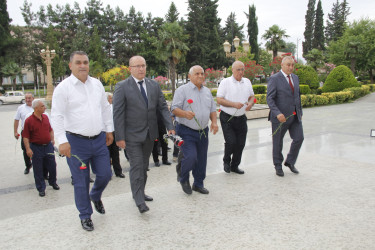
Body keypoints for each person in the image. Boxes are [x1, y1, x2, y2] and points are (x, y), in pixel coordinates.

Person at [51, 51, 114, 231]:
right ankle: (85, 215)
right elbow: (56, 115)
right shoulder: (63, 88)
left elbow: (105, 108)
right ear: (70, 65)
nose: (82, 66)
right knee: (81, 181)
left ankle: (95, 195)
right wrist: (62, 141)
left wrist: (109, 129)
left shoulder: (96, 84)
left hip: (99, 139)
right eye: (78, 62)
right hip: (76, 143)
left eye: (85, 62)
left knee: (105, 174)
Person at [113, 55, 174, 213]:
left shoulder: (153, 85)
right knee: (137, 166)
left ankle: (140, 191)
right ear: (130, 69)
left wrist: (170, 125)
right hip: (131, 135)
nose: (141, 69)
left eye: (143, 65)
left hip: (149, 134)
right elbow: (118, 113)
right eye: (137, 66)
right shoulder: (122, 86)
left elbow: (162, 107)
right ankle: (139, 199)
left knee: (144, 166)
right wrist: (119, 137)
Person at [171, 65, 218, 195]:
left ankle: (198, 184)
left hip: (203, 131)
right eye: (197, 74)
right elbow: (174, 109)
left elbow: (212, 109)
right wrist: (185, 113)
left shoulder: (207, 91)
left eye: (202, 73)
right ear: (189, 76)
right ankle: (183, 178)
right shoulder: (182, 90)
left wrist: (214, 122)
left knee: (201, 159)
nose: (200, 76)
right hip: (186, 130)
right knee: (191, 157)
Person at [266, 56, 304, 177]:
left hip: (294, 116)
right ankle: (278, 165)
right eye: (288, 65)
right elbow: (270, 98)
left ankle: (290, 161)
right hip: (280, 117)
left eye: (292, 65)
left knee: (299, 138)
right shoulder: (274, 79)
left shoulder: (295, 78)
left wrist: (300, 112)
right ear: (282, 65)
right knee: (278, 142)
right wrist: (278, 113)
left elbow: (297, 96)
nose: (291, 67)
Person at [216, 61, 255, 175]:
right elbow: (219, 100)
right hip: (227, 117)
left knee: (241, 143)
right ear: (232, 70)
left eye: (242, 69)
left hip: (241, 118)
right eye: (238, 69)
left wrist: (250, 104)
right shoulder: (225, 82)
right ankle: (226, 162)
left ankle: (235, 165)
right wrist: (233, 104)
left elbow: (252, 96)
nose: (241, 72)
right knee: (231, 141)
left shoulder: (247, 81)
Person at [22, 99, 59, 197]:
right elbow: (25, 136)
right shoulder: (29, 120)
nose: (45, 107)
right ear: (36, 108)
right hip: (36, 147)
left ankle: (53, 182)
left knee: (52, 165)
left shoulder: (46, 117)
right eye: (42, 106)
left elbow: (50, 130)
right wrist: (28, 149)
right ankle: (41, 188)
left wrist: (52, 139)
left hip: (48, 146)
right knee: (38, 169)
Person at [14, 92, 34, 174]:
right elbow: (16, 120)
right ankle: (28, 166)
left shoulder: (37, 107)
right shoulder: (21, 108)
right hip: (25, 132)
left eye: (29, 98)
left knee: (37, 149)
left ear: (33, 98)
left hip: (36, 133)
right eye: (26, 98)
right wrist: (15, 132)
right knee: (25, 149)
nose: (27, 100)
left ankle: (39, 168)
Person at [106, 93, 125, 178]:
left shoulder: (114, 107)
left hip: (114, 132)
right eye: (110, 98)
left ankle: (118, 171)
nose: (112, 100)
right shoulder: (103, 108)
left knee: (115, 154)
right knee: (107, 155)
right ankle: (108, 173)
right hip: (106, 133)